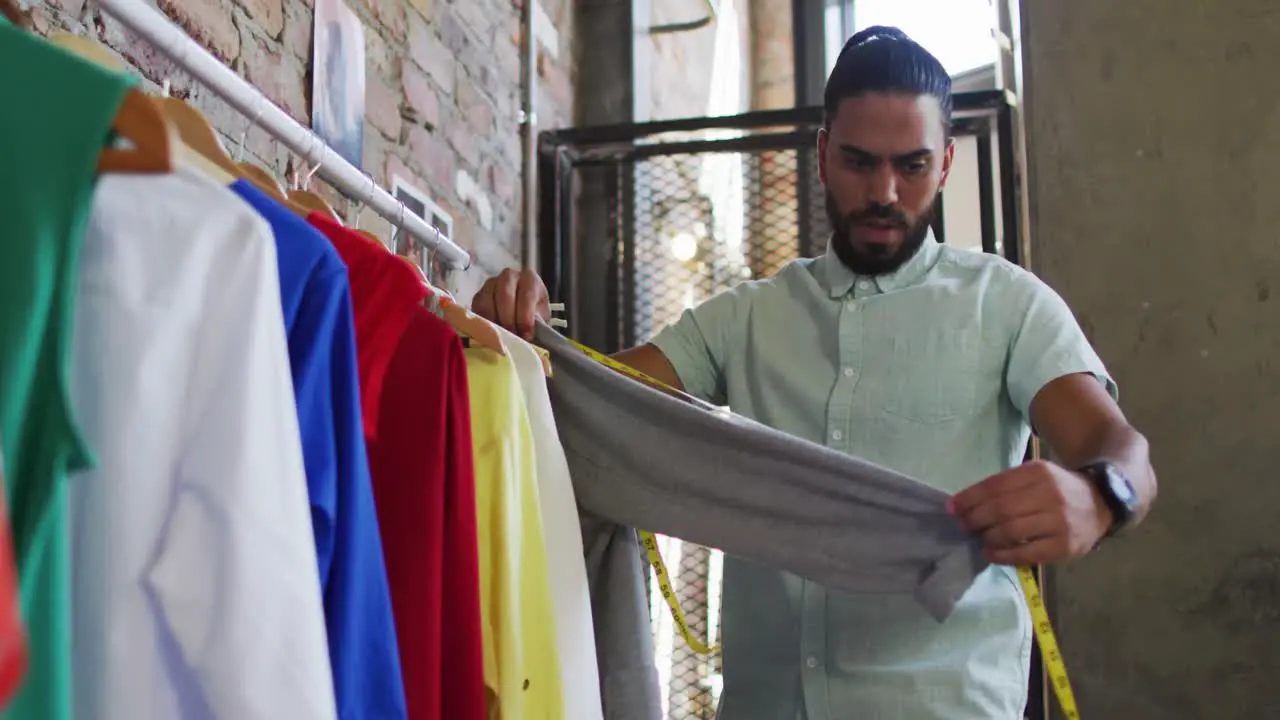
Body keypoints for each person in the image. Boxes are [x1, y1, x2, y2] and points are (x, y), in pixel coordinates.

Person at [473, 26, 1157, 720]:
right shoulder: (745, 319)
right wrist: (513, 337)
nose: (884, 192)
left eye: (912, 166)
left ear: (947, 163)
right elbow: (583, 412)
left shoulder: (1009, 306)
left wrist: (1102, 495)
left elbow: (1121, 447)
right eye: (860, 162)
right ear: (824, 154)